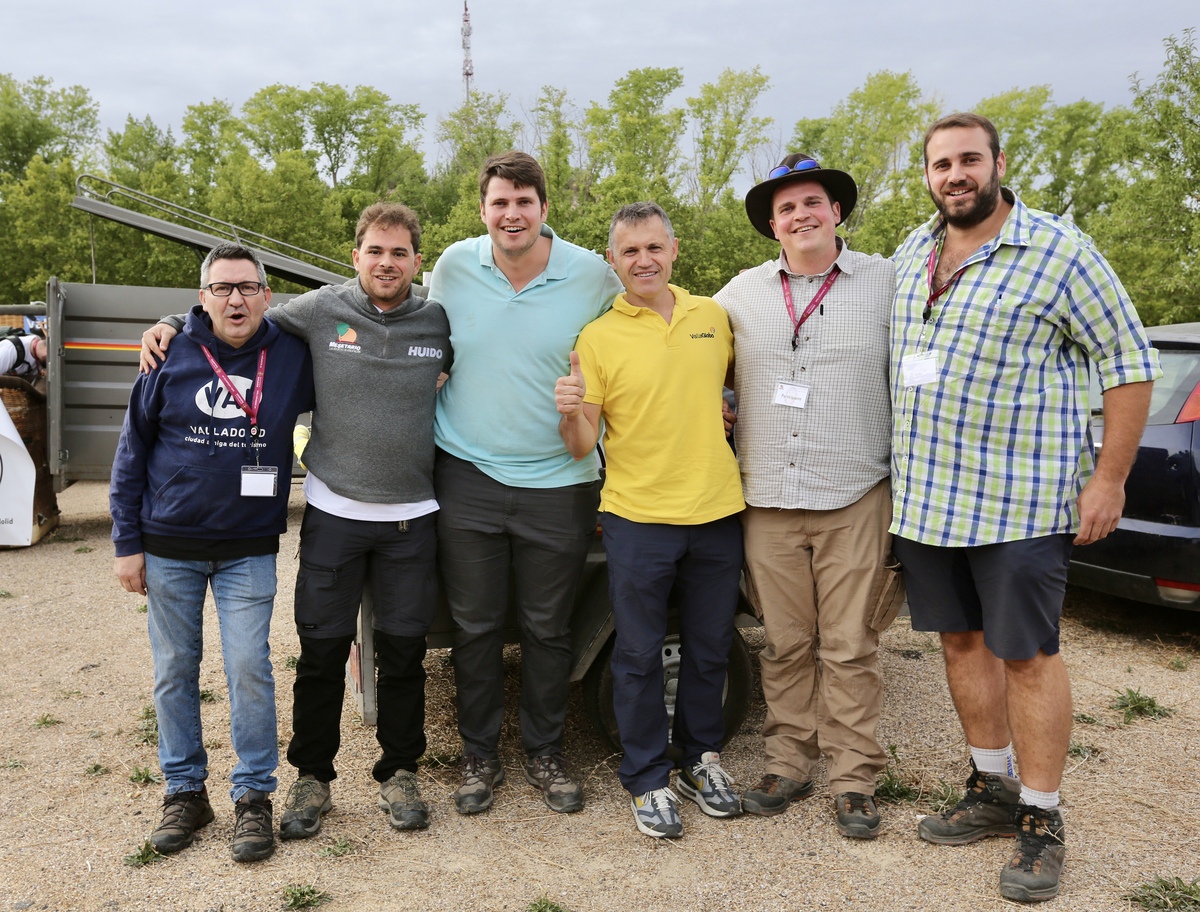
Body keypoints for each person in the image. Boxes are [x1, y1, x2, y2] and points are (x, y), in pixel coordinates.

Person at [890, 113, 1161, 903]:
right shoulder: (916, 252)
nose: (955, 175)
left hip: (1020, 503)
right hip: (932, 503)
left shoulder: (1060, 252)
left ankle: (1042, 818)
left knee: (1027, 656)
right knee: (960, 644)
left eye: (969, 159)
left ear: (1000, 162)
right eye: (941, 164)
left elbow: (1130, 363)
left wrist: (1109, 478)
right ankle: (991, 785)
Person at [140, 203, 451, 840]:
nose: (386, 263)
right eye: (374, 251)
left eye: (399, 253)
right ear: (355, 255)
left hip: (413, 519)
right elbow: (233, 317)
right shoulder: (316, 310)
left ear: (418, 261)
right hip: (335, 513)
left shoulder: (441, 319)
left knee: (402, 653)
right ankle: (313, 777)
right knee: (322, 653)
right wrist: (172, 321)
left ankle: (399, 772)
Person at [429, 152, 624, 815]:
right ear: (483, 210)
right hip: (469, 474)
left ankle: (544, 752)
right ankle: (479, 757)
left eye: (524, 202)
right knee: (475, 626)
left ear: (544, 208)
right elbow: (402, 322)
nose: (511, 214)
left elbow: (642, 325)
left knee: (547, 629)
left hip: (561, 480)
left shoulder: (592, 276)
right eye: (499, 203)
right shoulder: (454, 266)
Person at [714, 155, 900, 839]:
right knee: (786, 644)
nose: (802, 216)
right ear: (772, 224)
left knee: (850, 647)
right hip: (767, 497)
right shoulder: (740, 293)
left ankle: (854, 779)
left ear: (837, 211)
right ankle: (788, 762)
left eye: (813, 202)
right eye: (787, 208)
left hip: (854, 493)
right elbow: (698, 358)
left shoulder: (886, 281)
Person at [111, 244, 315, 862]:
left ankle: (253, 797)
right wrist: (127, 544)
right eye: (222, 289)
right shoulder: (167, 352)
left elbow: (356, 366)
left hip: (248, 549)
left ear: (267, 296)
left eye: (248, 288)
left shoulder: (291, 355)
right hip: (169, 545)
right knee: (174, 671)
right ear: (201, 297)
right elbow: (131, 452)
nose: (236, 299)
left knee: (249, 669)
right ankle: (185, 791)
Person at [555, 202, 745, 838]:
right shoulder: (597, 337)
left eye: (654, 248)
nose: (643, 260)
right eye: (630, 251)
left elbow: (732, 390)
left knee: (711, 646)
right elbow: (582, 445)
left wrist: (730, 410)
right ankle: (645, 777)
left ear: (674, 250)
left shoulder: (712, 318)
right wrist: (569, 410)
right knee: (636, 655)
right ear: (613, 261)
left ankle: (699, 760)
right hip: (637, 517)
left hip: (718, 512)